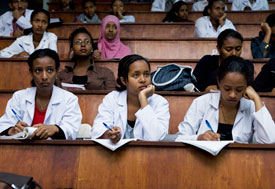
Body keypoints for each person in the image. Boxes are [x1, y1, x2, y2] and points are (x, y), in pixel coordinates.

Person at [176, 55, 275, 143]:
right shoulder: (202, 102)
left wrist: (256, 99)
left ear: (246, 86)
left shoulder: (251, 106)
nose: (232, 95)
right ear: (218, 82)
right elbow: (179, 138)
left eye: (239, 89)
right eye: (227, 88)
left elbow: (269, 140)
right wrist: (198, 138)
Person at [0, 49, 82, 140]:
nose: (44, 77)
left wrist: (55, 129)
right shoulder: (19, 97)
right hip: (21, 151)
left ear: (57, 71)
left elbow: (72, 130)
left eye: (50, 70)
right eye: (38, 70)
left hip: (56, 152)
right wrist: (12, 130)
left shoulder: (69, 99)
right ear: (31, 72)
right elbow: (3, 125)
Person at [91, 54, 170, 143]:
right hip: (114, 155)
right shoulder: (112, 99)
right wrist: (110, 135)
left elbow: (157, 137)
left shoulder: (160, 102)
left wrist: (143, 99)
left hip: (147, 155)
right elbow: (98, 130)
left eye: (146, 74)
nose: (143, 80)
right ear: (124, 80)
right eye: (136, 75)